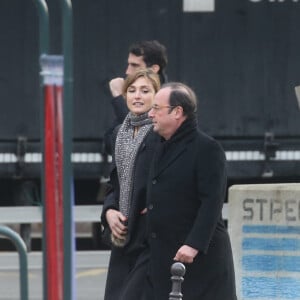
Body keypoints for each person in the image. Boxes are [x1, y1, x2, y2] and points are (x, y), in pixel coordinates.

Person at [146, 82, 237, 300]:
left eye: (156, 108)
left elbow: (212, 202)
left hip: (200, 260)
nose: (150, 114)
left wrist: (193, 244)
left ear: (177, 112)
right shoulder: (159, 145)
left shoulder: (207, 148)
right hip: (165, 258)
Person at [100, 69, 161, 300]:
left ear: (157, 95)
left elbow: (170, 180)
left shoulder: (160, 133)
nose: (137, 96)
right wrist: (109, 212)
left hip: (149, 235)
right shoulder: (119, 133)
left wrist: (154, 204)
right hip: (123, 236)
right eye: (132, 90)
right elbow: (114, 183)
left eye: (145, 91)